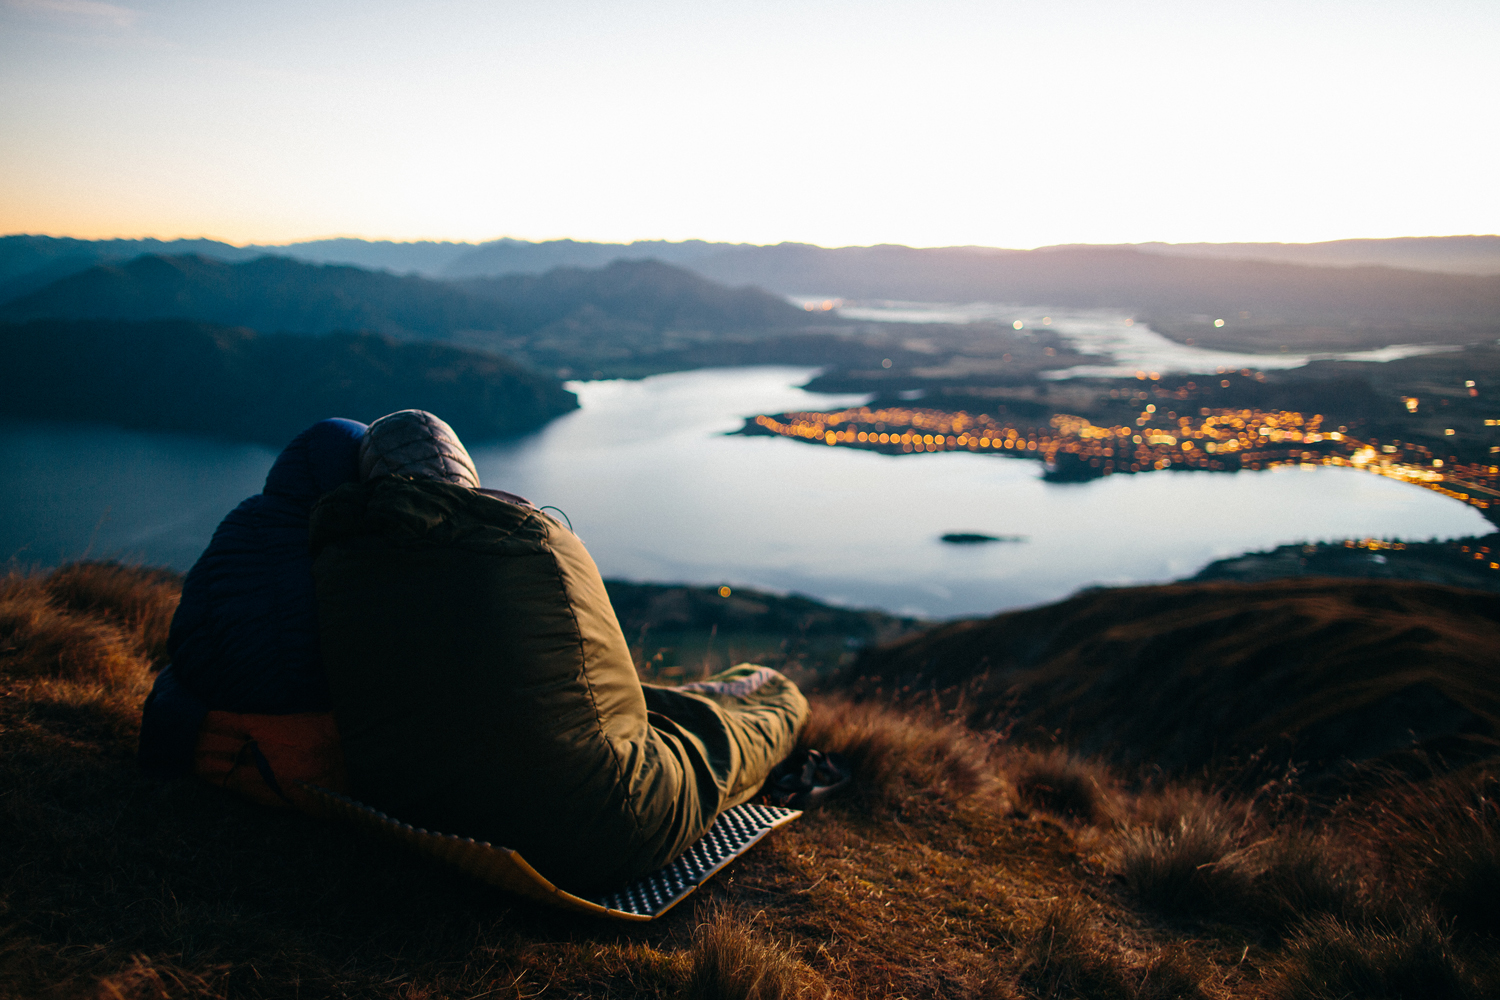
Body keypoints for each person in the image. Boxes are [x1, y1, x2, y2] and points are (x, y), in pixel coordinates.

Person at [310, 409, 809, 891]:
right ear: (467, 473)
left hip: (416, 810)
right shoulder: (533, 544)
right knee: (751, 713)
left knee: (652, 708)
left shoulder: (334, 567)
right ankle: (780, 696)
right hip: (600, 832)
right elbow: (612, 683)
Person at [138, 417, 368, 806]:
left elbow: (185, 634)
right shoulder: (346, 546)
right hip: (298, 750)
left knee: (173, 682)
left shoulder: (245, 517)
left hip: (198, 722)